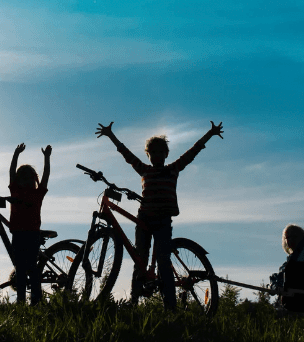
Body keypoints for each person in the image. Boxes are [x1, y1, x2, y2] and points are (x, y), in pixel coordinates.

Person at [96, 120, 224, 310]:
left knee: (164, 262)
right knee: (140, 259)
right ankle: (133, 301)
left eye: (160, 152)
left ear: (166, 154)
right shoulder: (144, 170)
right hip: (144, 220)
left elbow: (192, 152)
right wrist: (111, 136)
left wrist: (210, 134)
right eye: (153, 152)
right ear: (148, 155)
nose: (157, 155)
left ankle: (170, 307)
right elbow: (127, 155)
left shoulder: (173, 169)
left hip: (163, 221)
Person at [8, 142, 52, 305]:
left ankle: (35, 300)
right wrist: (16, 155)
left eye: (30, 178)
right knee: (21, 269)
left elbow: (46, 175)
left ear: (35, 180)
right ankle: (21, 300)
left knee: (31, 268)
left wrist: (47, 159)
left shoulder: (36, 193)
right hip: (19, 234)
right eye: (24, 178)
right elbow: (11, 172)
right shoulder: (16, 191)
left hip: (31, 234)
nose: (27, 181)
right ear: (19, 180)